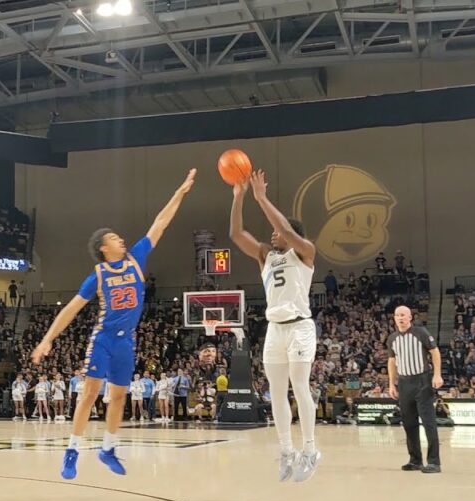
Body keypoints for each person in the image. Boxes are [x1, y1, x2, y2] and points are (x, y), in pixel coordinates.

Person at [32, 169, 197, 479]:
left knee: (119, 396)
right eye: (114, 238)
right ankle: (72, 450)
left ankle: (108, 449)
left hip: (127, 340)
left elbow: (160, 223)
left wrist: (181, 191)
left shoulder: (136, 257)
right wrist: (47, 339)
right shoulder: (96, 276)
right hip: (104, 338)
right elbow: (70, 310)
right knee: (90, 393)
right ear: (104, 248)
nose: (121, 239)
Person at [229, 169, 319, 482]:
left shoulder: (305, 251)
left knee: (299, 386)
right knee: (276, 393)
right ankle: (287, 451)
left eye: (277, 233)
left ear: (291, 235)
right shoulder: (266, 256)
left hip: (300, 327)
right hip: (275, 328)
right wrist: (239, 199)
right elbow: (237, 235)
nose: (272, 235)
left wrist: (262, 198)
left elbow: (284, 228)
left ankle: (310, 449)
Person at [387, 306, 443, 473]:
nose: (400, 318)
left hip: (422, 381)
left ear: (410, 317)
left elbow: (435, 351)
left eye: (403, 315)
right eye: (397, 315)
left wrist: (437, 374)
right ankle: (415, 459)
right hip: (404, 383)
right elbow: (391, 360)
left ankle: (434, 462)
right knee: (409, 423)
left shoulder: (421, 333)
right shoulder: (392, 338)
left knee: (428, 422)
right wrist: (391, 383)